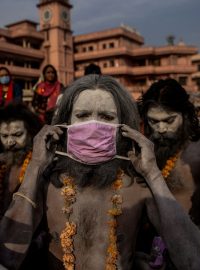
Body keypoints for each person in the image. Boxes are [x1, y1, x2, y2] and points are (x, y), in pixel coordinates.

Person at [0, 75, 200, 270]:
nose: (93, 126)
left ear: (124, 126)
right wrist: (35, 167)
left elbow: (192, 260)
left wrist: (153, 175)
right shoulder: (46, 181)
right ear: (65, 122)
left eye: (107, 117)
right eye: (82, 115)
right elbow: (8, 258)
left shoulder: (139, 185)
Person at [136, 78, 200, 268]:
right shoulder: (147, 152)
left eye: (169, 120)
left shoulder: (196, 155)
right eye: (153, 121)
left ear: (186, 115)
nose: (161, 129)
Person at [0, 103, 43, 218]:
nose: (10, 142)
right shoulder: (2, 164)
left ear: (30, 134)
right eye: (4, 136)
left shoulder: (41, 164)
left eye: (17, 135)